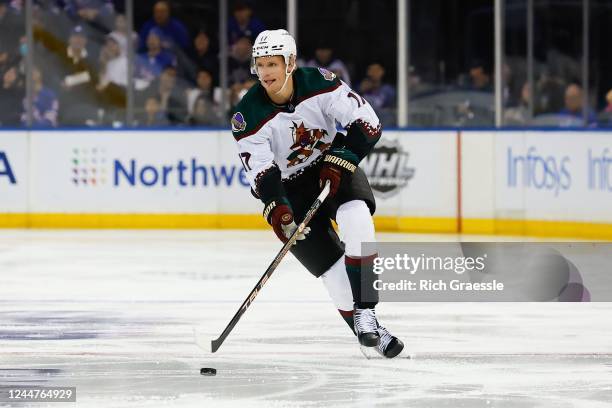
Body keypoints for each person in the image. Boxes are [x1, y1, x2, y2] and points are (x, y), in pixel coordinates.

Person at [231, 29, 403, 358]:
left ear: (290, 63)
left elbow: (367, 122)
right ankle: (369, 334)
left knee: (358, 219)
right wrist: (279, 211)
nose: (265, 73)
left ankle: (367, 311)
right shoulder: (247, 115)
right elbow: (263, 174)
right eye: (260, 65)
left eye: (272, 64)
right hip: (289, 190)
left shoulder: (320, 84)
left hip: (329, 166)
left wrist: (341, 161)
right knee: (331, 269)